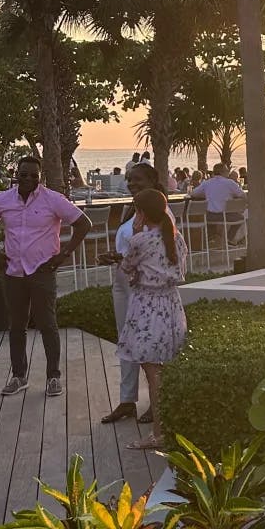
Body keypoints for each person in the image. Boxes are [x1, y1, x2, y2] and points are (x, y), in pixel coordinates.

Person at [0, 157, 92, 398]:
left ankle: (53, 376)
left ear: (40, 176)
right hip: (13, 272)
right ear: (16, 175)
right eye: (24, 174)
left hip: (42, 270)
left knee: (47, 324)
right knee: (16, 325)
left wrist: (64, 254)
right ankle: (19, 376)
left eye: (34, 175)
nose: (29, 179)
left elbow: (83, 224)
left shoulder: (52, 199)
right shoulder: (3, 200)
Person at [114, 188, 188, 450]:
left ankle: (159, 432)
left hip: (147, 307)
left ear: (142, 213)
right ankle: (168, 426)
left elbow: (126, 268)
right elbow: (182, 271)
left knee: (152, 371)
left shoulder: (139, 241)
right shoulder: (176, 239)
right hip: (171, 305)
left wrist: (135, 233)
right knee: (165, 368)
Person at [97, 163, 161, 425]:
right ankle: (127, 401)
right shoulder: (131, 211)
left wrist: (124, 258)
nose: (132, 184)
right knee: (125, 343)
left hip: (145, 288)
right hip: (123, 283)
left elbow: (158, 254)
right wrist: (117, 258)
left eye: (138, 180)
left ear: (153, 182)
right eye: (129, 180)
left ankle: (156, 404)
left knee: (147, 346)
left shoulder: (160, 213)